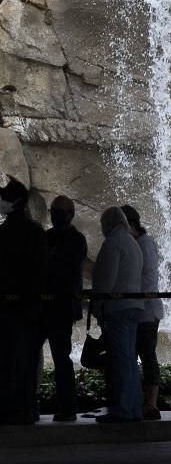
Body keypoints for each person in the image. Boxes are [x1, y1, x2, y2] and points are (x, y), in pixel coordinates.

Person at [0, 178, 47, 425]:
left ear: (16, 202)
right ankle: (26, 407)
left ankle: (10, 407)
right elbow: (41, 272)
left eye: (4, 198)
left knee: (8, 360)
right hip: (28, 309)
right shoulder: (35, 232)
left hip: (10, 310)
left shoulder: (5, 233)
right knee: (27, 360)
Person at [91, 206, 145, 423]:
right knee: (130, 359)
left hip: (117, 308)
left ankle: (122, 409)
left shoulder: (112, 243)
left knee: (120, 360)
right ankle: (134, 408)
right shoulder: (133, 243)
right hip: (134, 307)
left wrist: (98, 307)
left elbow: (105, 280)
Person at [38, 196, 88, 422]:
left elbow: (61, 269)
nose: (54, 214)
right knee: (32, 358)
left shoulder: (76, 240)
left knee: (61, 359)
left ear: (70, 213)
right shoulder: (49, 237)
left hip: (60, 308)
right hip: (44, 307)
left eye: (59, 211)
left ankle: (68, 407)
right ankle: (29, 404)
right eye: (53, 210)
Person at [121, 205, 164, 420]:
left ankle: (151, 403)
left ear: (131, 225)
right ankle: (137, 400)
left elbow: (148, 279)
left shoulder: (145, 244)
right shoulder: (135, 243)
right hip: (135, 310)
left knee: (147, 356)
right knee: (135, 356)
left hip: (146, 312)